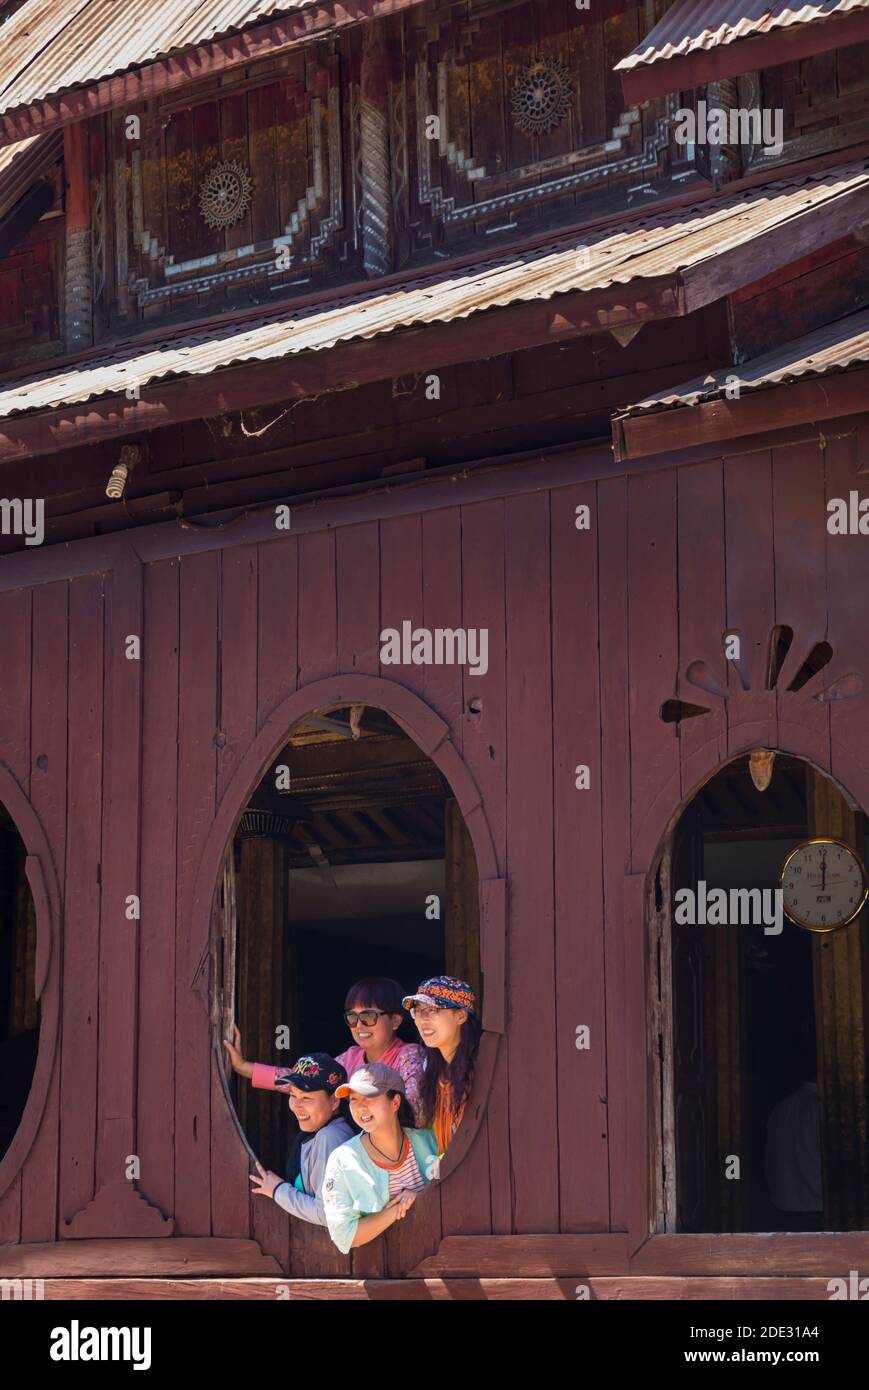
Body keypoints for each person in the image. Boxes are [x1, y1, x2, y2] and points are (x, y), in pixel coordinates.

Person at [226, 977, 426, 1124]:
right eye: (352, 1018)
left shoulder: (409, 1055)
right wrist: (243, 1066)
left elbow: (415, 1114)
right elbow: (305, 1082)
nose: (359, 1025)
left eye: (368, 1017)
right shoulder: (350, 1057)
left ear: (396, 1020)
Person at [223, 1041, 354, 1225]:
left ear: (334, 1101)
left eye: (307, 1098)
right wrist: (241, 1066)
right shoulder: (323, 1129)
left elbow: (328, 1213)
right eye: (293, 1095)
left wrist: (277, 1190)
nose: (297, 1105)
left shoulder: (330, 1137)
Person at [321, 1063, 439, 1254]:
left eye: (369, 1097)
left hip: (441, 1258)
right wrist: (395, 1211)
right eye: (353, 1100)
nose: (360, 1107)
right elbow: (343, 1236)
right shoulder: (342, 1160)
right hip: (382, 1272)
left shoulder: (430, 1142)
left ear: (395, 1102)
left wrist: (420, 1200)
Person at [403, 975, 480, 1157]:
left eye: (432, 1010)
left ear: (460, 1015)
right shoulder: (433, 1071)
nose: (422, 1020)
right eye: (418, 1011)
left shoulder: (482, 1067)